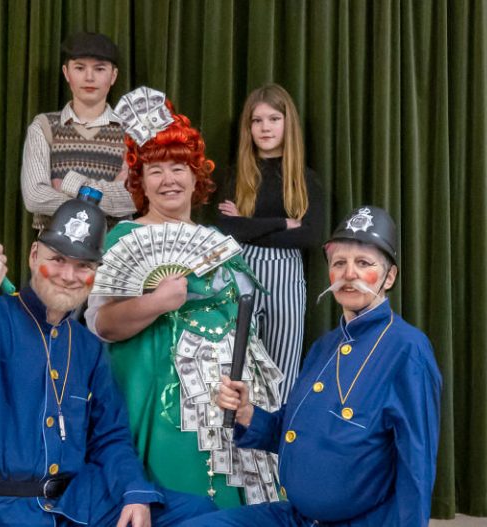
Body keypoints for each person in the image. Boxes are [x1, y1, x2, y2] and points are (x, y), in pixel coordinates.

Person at [0, 196, 215, 526]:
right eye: (58, 260)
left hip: (73, 504)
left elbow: (110, 436)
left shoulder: (86, 346)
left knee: (197, 515)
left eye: (84, 266)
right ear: (34, 255)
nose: (69, 275)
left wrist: (134, 491)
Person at [183, 206, 442, 526]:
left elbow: (416, 466)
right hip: (294, 517)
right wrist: (247, 413)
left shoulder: (408, 349)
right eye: (339, 263)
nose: (349, 274)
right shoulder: (324, 347)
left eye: (364, 263)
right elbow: (291, 433)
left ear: (389, 277)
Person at [85, 92, 284, 509]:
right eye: (155, 170)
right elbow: (102, 325)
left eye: (178, 168)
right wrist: (158, 301)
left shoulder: (220, 243)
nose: (168, 180)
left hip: (228, 406)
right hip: (160, 402)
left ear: (197, 178)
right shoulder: (126, 237)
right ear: (141, 182)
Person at [216, 83, 324, 402]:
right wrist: (281, 223)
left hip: (286, 280)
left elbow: (309, 235)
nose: (265, 127)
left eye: (273, 119)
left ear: (287, 123)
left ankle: (276, 447)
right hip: (240, 273)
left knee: (282, 371)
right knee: (233, 367)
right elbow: (225, 230)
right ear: (248, 127)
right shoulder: (237, 176)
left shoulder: (305, 179)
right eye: (257, 120)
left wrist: (246, 224)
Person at [21, 31, 136, 231]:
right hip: (54, 252)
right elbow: (35, 198)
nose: (89, 77)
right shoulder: (43, 126)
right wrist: (106, 196)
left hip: (113, 250)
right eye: (80, 68)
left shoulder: (131, 133)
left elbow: (133, 198)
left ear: (113, 76)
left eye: (99, 69)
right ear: (66, 73)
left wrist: (74, 186)